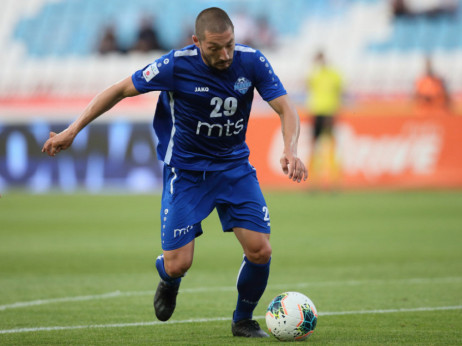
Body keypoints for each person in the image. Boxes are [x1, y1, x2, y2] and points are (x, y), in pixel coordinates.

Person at [42, 7, 307, 338]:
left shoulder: (251, 61)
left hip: (234, 169)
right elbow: (118, 89)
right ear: (197, 42)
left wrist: (291, 149)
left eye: (230, 45)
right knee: (179, 263)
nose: (225, 55)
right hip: (187, 174)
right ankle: (168, 276)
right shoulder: (175, 65)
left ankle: (243, 320)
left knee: (260, 249)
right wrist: (72, 130)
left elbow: (286, 107)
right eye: (214, 48)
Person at [305, 51, 342, 189]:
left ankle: (333, 181)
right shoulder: (321, 74)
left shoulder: (333, 74)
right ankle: (315, 181)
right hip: (319, 113)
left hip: (328, 113)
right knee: (317, 147)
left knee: (329, 147)